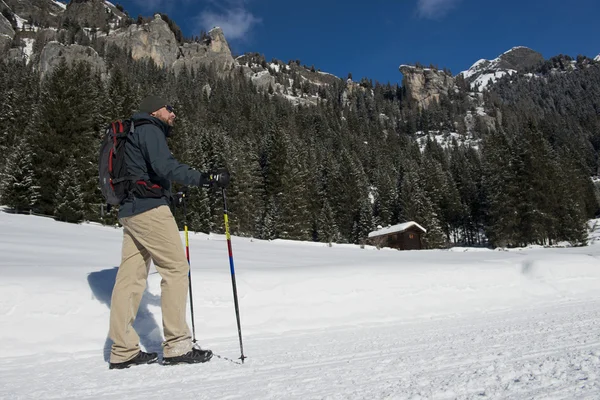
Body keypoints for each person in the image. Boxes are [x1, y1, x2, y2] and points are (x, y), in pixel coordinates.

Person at [108, 95, 230, 369]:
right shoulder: (150, 128)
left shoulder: (132, 132)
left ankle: (123, 350)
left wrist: (167, 196)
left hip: (131, 212)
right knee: (175, 269)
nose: (174, 114)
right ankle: (177, 345)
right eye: (170, 108)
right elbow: (165, 166)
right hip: (149, 211)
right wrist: (204, 178)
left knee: (130, 279)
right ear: (156, 109)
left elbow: (141, 174)